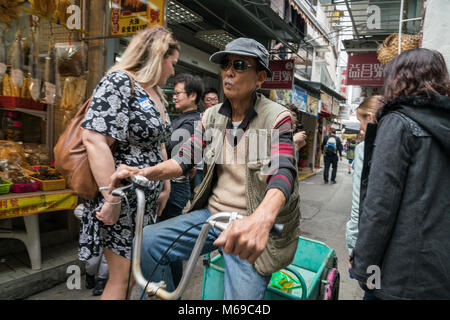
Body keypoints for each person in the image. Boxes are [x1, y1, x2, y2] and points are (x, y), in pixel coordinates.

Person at [109, 37, 301, 300]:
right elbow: (184, 159)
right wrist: (142, 173)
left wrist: (261, 220)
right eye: (225, 65)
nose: (229, 72)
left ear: (260, 78)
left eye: (240, 65)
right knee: (147, 243)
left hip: (247, 225)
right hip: (212, 218)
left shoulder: (277, 117)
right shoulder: (211, 117)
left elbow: (283, 171)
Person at [78, 26, 179, 300]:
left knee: (134, 278)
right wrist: (110, 198)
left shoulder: (155, 92)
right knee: (120, 280)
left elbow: (160, 142)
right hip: (122, 197)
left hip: (145, 200)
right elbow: (94, 139)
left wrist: (165, 182)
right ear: (158, 56)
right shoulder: (120, 81)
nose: (173, 71)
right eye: (172, 63)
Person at [350, 48, 450, 300]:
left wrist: (364, 268)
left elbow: (380, 206)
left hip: (396, 279)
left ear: (398, 79)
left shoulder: (398, 123)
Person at [160, 73, 203, 286]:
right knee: (165, 241)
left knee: (165, 243)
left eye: (178, 93)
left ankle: (172, 288)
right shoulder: (184, 119)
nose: (174, 97)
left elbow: (179, 162)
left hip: (174, 188)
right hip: (174, 187)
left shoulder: (191, 123)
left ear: (193, 96)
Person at [74, 203, 109, 296]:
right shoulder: (93, 201)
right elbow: (77, 210)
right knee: (92, 261)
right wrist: (92, 219)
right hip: (94, 237)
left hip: (112, 235)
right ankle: (90, 275)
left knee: (106, 261)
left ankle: (102, 280)